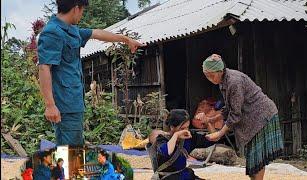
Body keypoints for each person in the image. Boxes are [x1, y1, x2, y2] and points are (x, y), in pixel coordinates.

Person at [37, 0, 144, 146]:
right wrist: (50, 105)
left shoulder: (71, 30)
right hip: (65, 103)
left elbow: (97, 33)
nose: (82, 15)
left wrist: (126, 40)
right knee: (69, 150)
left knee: (74, 148)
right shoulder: (52, 32)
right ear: (76, 8)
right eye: (82, 11)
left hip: (74, 101)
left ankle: (70, 168)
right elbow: (44, 68)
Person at [202, 54, 284, 180]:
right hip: (253, 117)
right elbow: (229, 108)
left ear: (220, 71)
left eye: (211, 75)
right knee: (253, 157)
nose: (210, 79)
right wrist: (210, 120)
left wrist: (219, 134)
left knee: (258, 157)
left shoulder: (234, 81)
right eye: (207, 76)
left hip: (262, 116)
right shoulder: (223, 81)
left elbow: (235, 114)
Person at [150, 109, 216, 180]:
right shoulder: (161, 140)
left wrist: (208, 123)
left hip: (185, 175)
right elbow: (167, 152)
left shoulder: (188, 138)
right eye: (182, 128)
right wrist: (176, 135)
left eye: (187, 127)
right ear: (172, 127)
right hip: (168, 177)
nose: (186, 130)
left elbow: (213, 139)